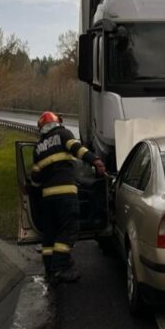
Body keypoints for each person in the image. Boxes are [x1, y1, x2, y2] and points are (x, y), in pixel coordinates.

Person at [30, 111, 106, 285]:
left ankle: (50, 270)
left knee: (50, 234)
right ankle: (60, 269)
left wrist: (32, 191)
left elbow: (35, 176)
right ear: (57, 122)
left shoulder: (38, 147)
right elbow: (78, 149)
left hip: (47, 198)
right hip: (65, 194)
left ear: (42, 128)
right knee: (69, 230)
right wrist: (96, 161)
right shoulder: (63, 134)